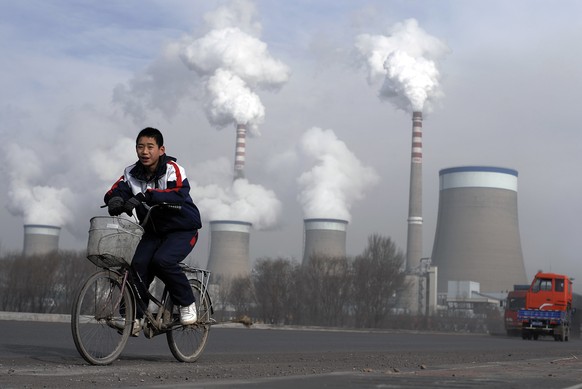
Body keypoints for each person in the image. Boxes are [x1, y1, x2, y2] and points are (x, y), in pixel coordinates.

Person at [104, 127, 202, 332]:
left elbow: (178, 193)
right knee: (137, 266)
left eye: (150, 147)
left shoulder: (173, 169)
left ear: (161, 149)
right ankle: (134, 317)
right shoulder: (131, 172)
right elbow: (116, 189)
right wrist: (115, 200)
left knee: (162, 261)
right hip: (153, 230)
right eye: (140, 147)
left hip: (182, 229)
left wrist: (144, 196)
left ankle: (187, 303)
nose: (145, 152)